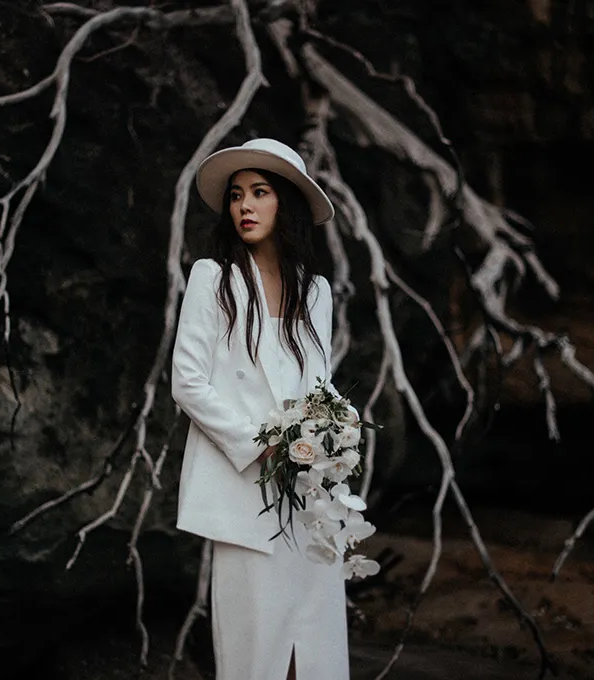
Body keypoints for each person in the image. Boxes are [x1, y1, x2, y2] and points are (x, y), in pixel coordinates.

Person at [171, 138, 349, 680]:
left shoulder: (314, 292)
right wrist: (262, 443)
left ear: (286, 203)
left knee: (315, 653)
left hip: (309, 496)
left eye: (260, 192)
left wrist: (334, 437)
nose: (244, 206)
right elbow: (188, 381)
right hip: (242, 491)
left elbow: (319, 385)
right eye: (236, 196)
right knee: (256, 657)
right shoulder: (214, 279)